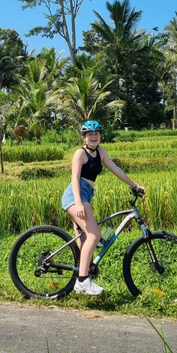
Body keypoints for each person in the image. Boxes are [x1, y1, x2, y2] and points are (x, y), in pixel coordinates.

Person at [61, 120, 145, 295]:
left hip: (86, 195)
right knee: (94, 235)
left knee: (87, 239)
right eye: (89, 134)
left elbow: (117, 170)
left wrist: (134, 185)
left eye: (96, 134)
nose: (93, 137)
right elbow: (75, 179)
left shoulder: (101, 152)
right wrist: (77, 202)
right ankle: (82, 282)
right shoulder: (80, 154)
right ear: (84, 137)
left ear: (100, 136)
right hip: (75, 196)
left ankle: (83, 274)